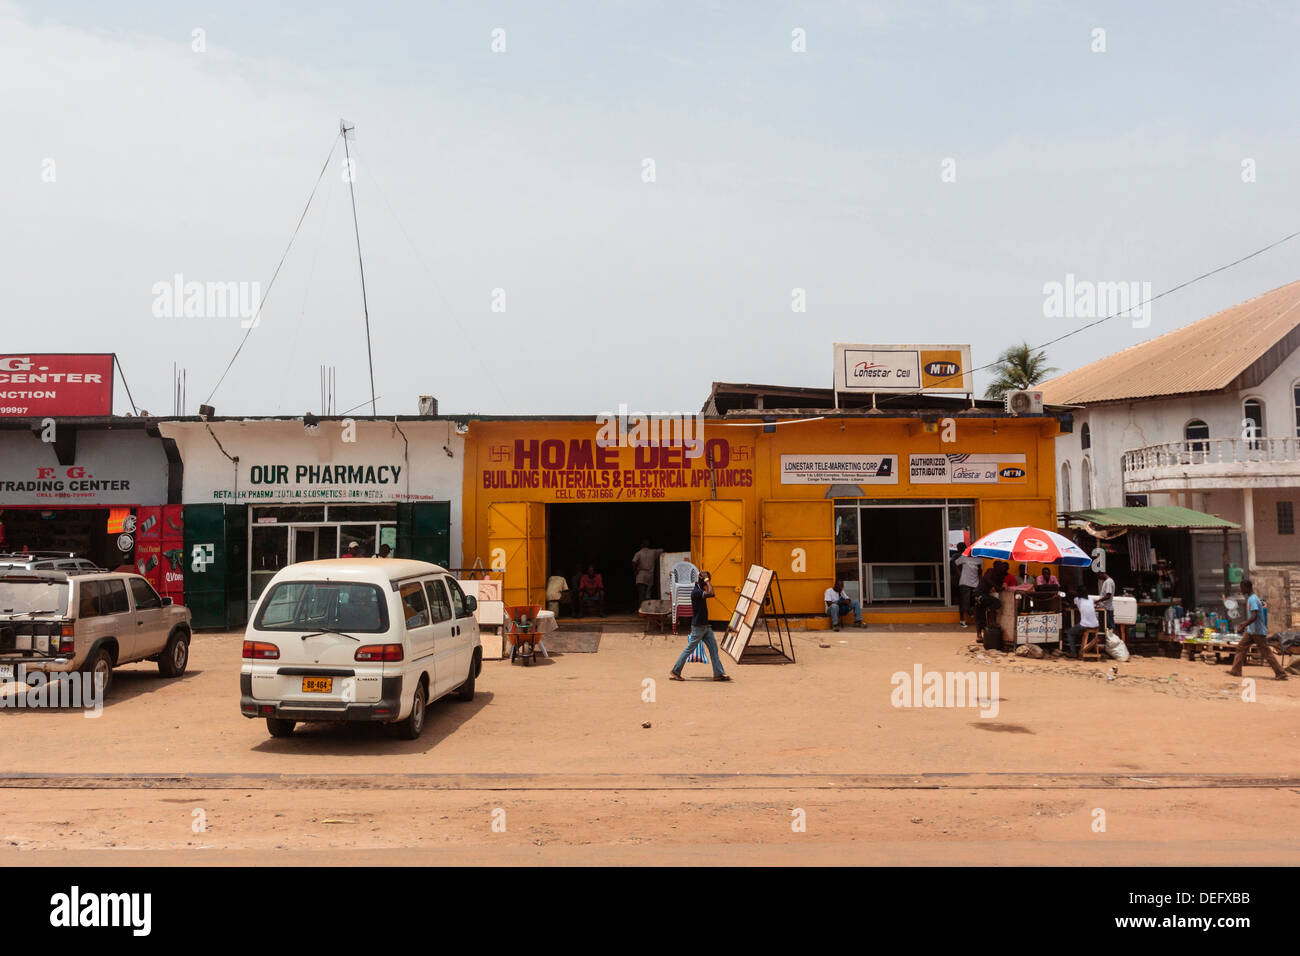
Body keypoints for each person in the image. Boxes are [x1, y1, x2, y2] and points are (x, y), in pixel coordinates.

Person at [669, 570, 729, 682]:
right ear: (703, 579)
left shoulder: (700, 589)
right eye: (707, 579)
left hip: (705, 626)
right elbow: (712, 593)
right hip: (698, 627)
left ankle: (718, 673)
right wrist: (708, 581)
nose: (708, 582)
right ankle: (675, 671)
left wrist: (706, 581)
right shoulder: (696, 592)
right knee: (689, 649)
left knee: (713, 649)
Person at [1227, 580, 1288, 680]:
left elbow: (1254, 616)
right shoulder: (1251, 598)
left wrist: (1243, 625)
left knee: (1266, 653)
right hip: (1252, 631)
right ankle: (1235, 671)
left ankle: (1281, 673)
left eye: (1241, 587)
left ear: (1246, 587)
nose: (1240, 590)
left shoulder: (1253, 599)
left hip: (1258, 632)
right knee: (1241, 647)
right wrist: (1245, 625)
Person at [1064, 586, 1099, 659]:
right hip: (1095, 624)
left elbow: (1072, 605)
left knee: (1070, 633)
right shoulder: (1091, 600)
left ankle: (1073, 652)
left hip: (1085, 625)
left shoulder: (1077, 599)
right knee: (1083, 631)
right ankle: (1088, 649)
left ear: (1079, 593)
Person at [953, 551, 982, 627]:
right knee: (964, 601)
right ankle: (962, 620)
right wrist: (959, 574)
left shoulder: (979, 559)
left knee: (975, 601)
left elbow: (980, 572)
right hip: (965, 582)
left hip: (975, 583)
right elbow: (954, 564)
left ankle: (974, 616)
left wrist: (979, 570)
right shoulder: (964, 558)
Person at [631, 539, 659, 606]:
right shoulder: (653, 552)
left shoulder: (639, 553)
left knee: (641, 594)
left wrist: (635, 571)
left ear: (641, 545)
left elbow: (633, 561)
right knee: (648, 594)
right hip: (650, 575)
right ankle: (647, 610)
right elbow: (662, 550)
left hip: (641, 574)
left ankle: (642, 609)